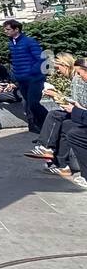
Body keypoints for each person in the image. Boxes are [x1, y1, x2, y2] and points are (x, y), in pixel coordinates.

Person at [26, 52, 78, 159]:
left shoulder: (77, 79)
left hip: (81, 113)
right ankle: (55, 158)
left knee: (55, 116)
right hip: (79, 112)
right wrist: (56, 95)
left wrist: (56, 95)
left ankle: (45, 148)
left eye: (58, 68)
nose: (58, 71)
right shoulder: (75, 77)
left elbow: (77, 102)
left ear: (65, 65)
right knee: (58, 118)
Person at [45, 56, 87, 187]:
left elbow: (82, 103)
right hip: (81, 113)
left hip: (82, 115)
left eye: (58, 67)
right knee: (65, 124)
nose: (80, 77)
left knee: (71, 130)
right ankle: (57, 160)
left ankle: (50, 153)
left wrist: (73, 108)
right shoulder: (77, 78)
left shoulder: (77, 80)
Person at [2, 19, 47, 136]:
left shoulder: (29, 41)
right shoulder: (11, 42)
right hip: (21, 80)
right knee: (27, 103)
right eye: (5, 29)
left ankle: (49, 124)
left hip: (34, 79)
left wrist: (31, 72)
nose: (5, 31)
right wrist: (15, 75)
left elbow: (41, 59)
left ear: (16, 29)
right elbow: (15, 61)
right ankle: (34, 126)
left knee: (33, 103)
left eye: (8, 29)